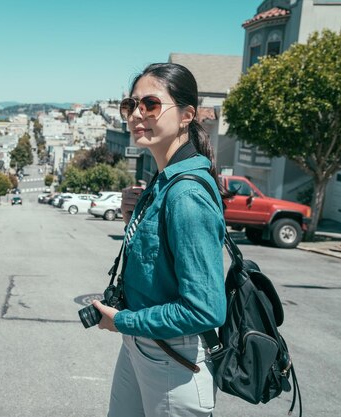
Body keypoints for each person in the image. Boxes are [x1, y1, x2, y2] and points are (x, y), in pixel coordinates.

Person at [92, 63, 230, 417]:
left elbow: (204, 309)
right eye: (131, 105)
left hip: (174, 358)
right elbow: (158, 262)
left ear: (186, 115)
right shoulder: (163, 180)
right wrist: (132, 221)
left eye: (151, 104)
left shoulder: (186, 193)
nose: (137, 114)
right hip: (142, 345)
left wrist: (121, 321)